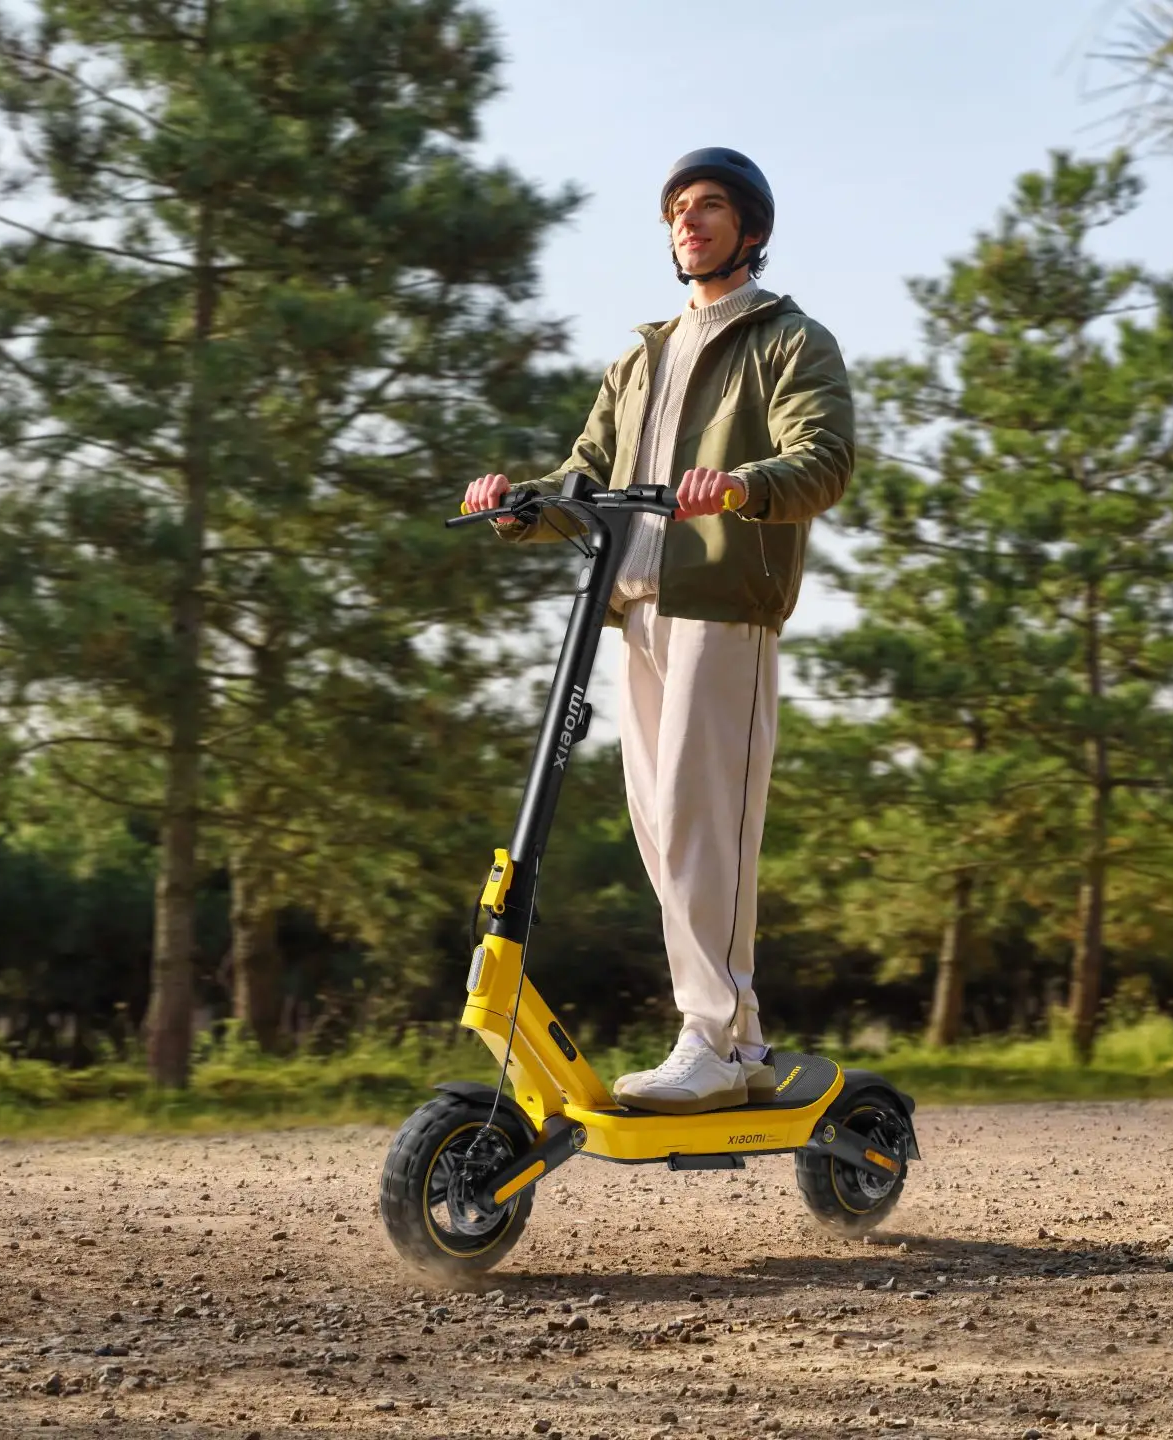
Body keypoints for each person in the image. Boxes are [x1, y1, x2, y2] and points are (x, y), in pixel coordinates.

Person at [459, 148, 854, 1115]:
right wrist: (520, 506)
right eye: (678, 209)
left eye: (710, 206)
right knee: (664, 830)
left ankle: (712, 1041)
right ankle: (740, 1039)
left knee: (697, 817)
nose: (689, 220)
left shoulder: (788, 342)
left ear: (751, 230)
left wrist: (745, 487)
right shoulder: (641, 357)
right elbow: (584, 477)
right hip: (633, 610)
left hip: (723, 607)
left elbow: (824, 460)